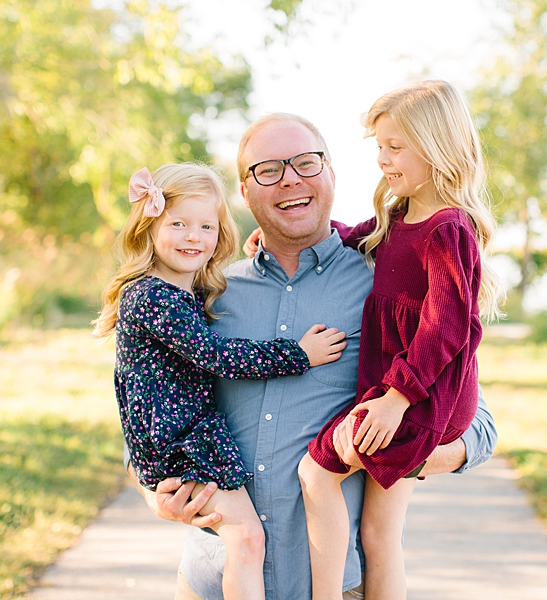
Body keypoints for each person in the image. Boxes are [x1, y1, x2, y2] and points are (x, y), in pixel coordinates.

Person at [131, 113, 498, 600]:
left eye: (306, 163)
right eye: (268, 170)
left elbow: (478, 425)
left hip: (338, 585)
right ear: (244, 190)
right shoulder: (208, 292)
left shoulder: (385, 280)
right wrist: (153, 493)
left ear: (330, 173)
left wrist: (400, 451)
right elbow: (146, 404)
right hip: (213, 581)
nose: (290, 180)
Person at [94, 162, 347, 600]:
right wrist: (298, 355)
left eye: (206, 226)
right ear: (149, 226)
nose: (193, 236)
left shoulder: (189, 291)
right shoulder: (152, 296)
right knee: (247, 540)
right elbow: (217, 356)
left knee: (245, 540)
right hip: (180, 444)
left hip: (190, 436)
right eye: (178, 224)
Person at [296, 80, 503, 600]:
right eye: (379, 147)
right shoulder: (400, 215)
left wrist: (396, 399)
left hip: (420, 396)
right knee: (379, 532)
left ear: (435, 146)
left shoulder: (448, 228)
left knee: (316, 474)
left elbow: (448, 326)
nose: (383, 160)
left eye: (395, 147)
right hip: (406, 392)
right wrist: (305, 237)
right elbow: (357, 235)